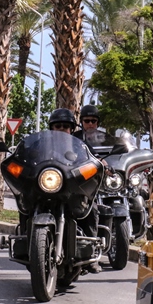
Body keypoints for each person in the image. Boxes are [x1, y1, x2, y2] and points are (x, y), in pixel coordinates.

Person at [49, 108, 102, 274]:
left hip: (73, 190)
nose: (62, 129)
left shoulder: (81, 145)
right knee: (27, 203)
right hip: (49, 188)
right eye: (58, 126)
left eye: (66, 126)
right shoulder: (43, 144)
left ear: (72, 128)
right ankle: (26, 240)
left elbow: (93, 160)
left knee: (91, 209)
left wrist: (100, 165)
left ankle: (90, 250)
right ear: (52, 128)